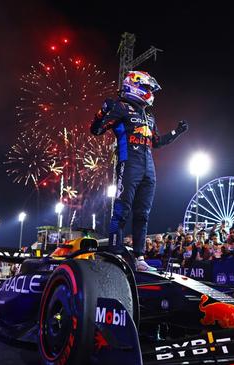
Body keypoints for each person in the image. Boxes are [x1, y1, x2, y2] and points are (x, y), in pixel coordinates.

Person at [91, 70, 188, 270]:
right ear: (134, 85)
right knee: (122, 209)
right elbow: (96, 130)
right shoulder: (121, 107)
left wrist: (176, 132)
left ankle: (139, 258)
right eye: (147, 88)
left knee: (143, 213)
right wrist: (102, 112)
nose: (150, 92)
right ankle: (114, 252)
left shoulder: (149, 115)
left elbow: (157, 142)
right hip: (129, 164)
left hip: (148, 168)